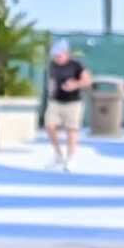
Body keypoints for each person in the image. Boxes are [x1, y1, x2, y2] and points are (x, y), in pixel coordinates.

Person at [42, 41, 89, 170]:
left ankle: (71, 158)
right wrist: (51, 91)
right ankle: (58, 155)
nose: (56, 58)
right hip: (55, 101)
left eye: (59, 55)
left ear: (66, 53)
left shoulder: (76, 65)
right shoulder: (53, 65)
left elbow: (87, 81)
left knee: (71, 130)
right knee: (49, 125)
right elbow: (52, 80)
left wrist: (75, 85)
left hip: (73, 102)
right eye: (54, 55)